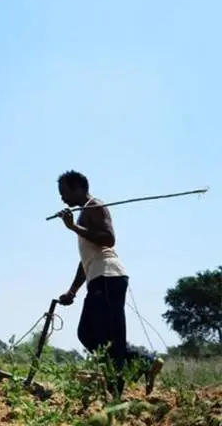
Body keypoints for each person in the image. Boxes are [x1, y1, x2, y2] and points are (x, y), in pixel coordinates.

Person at [54, 170, 164, 397]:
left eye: (65, 192)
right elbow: (87, 258)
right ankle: (143, 362)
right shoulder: (85, 212)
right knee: (89, 334)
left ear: (80, 189)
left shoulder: (95, 206)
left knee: (105, 336)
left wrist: (73, 227)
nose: (62, 198)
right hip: (98, 276)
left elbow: (108, 238)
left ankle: (117, 392)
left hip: (108, 277)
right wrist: (72, 291)